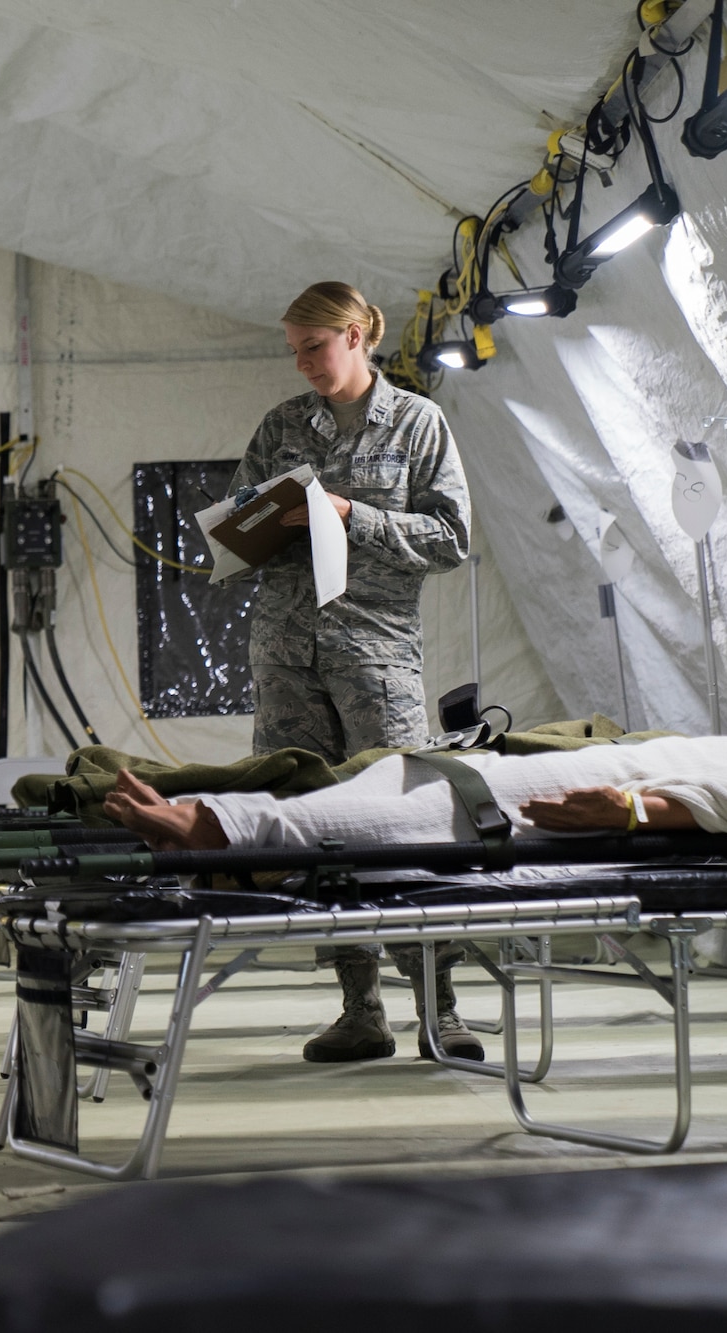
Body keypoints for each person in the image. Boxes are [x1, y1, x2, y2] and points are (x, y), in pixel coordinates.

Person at [102, 727, 727, 1057]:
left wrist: (635, 811)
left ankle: (224, 830)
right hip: (694, 755)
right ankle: (225, 831)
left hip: (693, 784)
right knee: (432, 781)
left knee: (455, 808)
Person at [229, 281, 474, 1064]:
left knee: (402, 824)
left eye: (315, 346)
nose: (302, 362)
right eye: (294, 348)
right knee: (318, 827)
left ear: (358, 335)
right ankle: (360, 1009)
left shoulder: (417, 423)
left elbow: (451, 536)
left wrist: (350, 515)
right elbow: (239, 529)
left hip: (375, 656)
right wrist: (254, 526)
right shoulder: (280, 427)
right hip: (287, 657)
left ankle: (441, 1008)